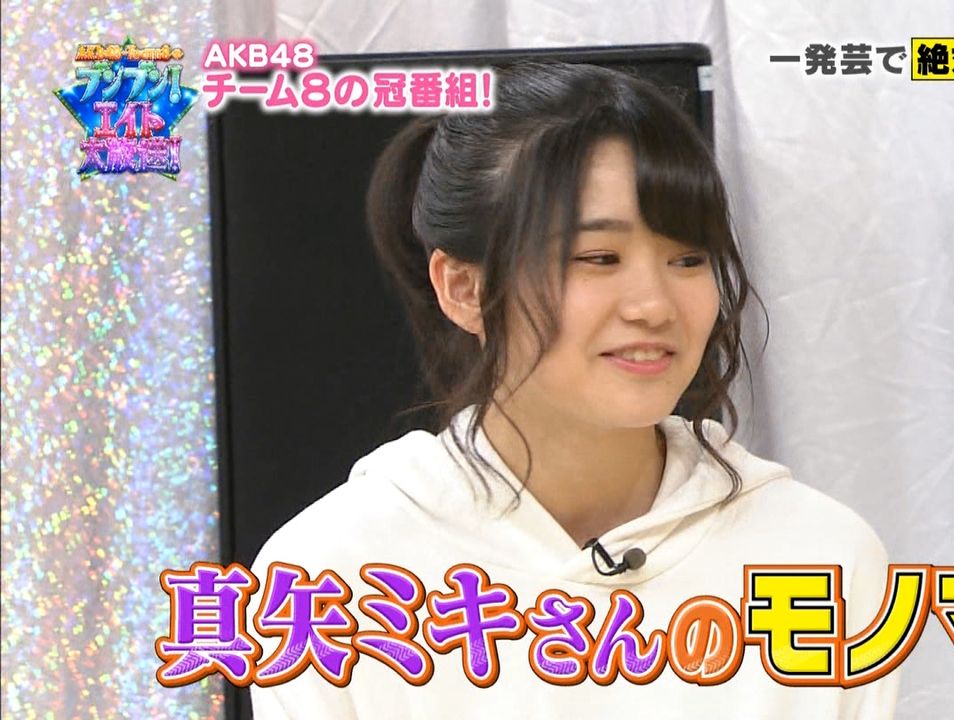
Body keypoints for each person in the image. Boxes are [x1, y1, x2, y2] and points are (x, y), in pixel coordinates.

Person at [249, 60, 898, 719]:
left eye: (687, 258)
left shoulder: (818, 558)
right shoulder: (331, 577)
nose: (653, 305)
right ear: (464, 288)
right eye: (598, 259)